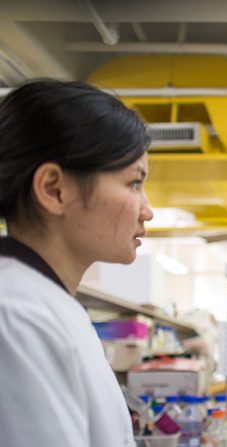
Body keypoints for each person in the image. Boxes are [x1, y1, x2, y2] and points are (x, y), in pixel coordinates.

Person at [0, 80, 153, 446]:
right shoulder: (17, 316)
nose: (147, 210)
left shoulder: (49, 304)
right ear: (55, 189)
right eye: (134, 183)